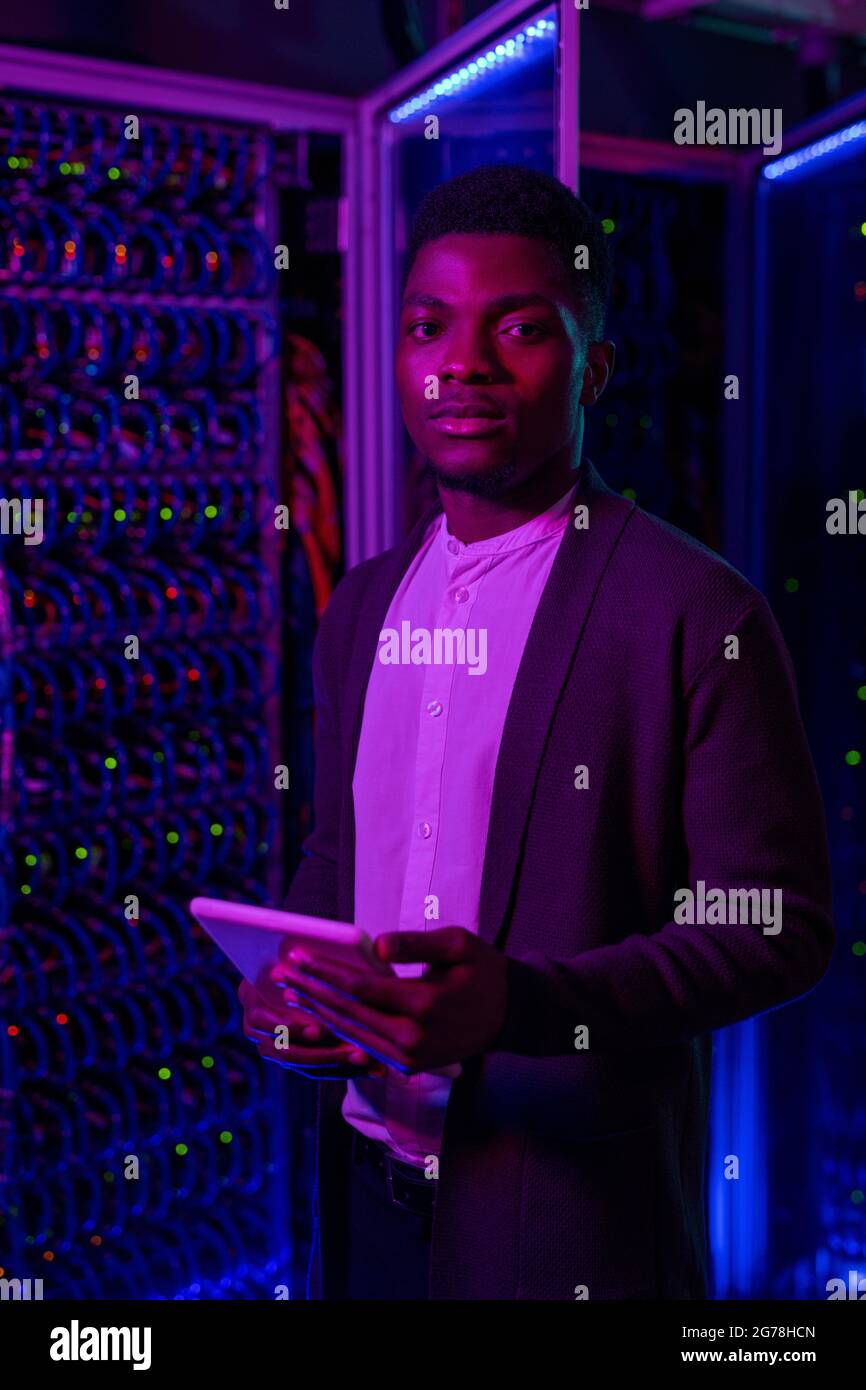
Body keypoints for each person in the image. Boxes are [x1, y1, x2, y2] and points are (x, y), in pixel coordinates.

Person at [242, 164, 833, 1301]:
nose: (460, 362)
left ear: (593, 368)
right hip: (363, 1204)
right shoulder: (361, 604)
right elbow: (338, 860)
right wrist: (291, 982)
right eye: (427, 327)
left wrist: (521, 1004)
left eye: (518, 328)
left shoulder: (691, 610)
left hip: (563, 1222)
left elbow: (778, 928)